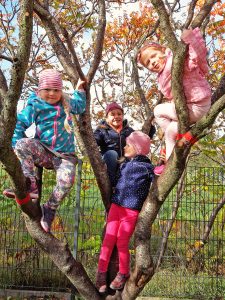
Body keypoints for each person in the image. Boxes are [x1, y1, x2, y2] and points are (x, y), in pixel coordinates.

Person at [3, 69, 86, 232]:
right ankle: (30, 183)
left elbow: (80, 106)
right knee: (22, 144)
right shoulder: (35, 104)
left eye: (56, 90)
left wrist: (80, 90)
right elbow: (19, 124)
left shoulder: (67, 102)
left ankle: (49, 208)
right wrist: (15, 145)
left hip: (64, 156)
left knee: (67, 180)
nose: (52, 94)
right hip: (44, 151)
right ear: (39, 90)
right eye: (47, 90)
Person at [137, 27, 211, 175]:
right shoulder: (162, 75)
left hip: (197, 104)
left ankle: (178, 136)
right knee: (171, 130)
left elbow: (196, 55)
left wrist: (189, 38)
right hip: (190, 108)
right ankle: (169, 162)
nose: (153, 62)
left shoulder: (176, 59)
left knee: (158, 111)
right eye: (148, 63)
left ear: (164, 50)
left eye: (154, 56)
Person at [95, 131, 154, 293]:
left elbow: (159, 177)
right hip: (116, 206)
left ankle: (123, 273)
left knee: (122, 242)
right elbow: (116, 180)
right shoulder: (125, 164)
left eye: (129, 145)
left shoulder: (147, 167)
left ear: (138, 148)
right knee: (108, 240)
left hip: (131, 210)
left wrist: (164, 164)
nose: (125, 147)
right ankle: (101, 273)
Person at [94, 102, 155, 187]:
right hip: (109, 160)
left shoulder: (128, 130)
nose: (116, 117)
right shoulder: (102, 130)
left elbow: (140, 140)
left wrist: (151, 127)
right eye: (112, 114)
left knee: (134, 160)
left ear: (122, 116)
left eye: (119, 114)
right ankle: (112, 184)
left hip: (124, 161)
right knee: (112, 154)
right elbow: (94, 141)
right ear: (107, 118)